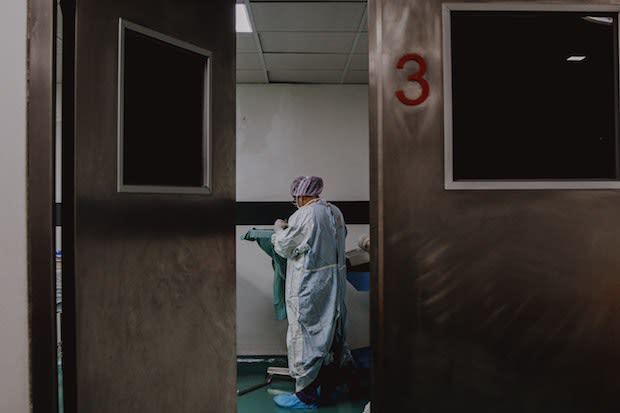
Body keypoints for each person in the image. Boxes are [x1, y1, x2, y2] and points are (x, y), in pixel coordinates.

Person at [271, 176, 352, 409]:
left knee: (306, 337)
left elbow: (286, 246)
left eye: (294, 197)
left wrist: (278, 230)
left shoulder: (304, 214)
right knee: (331, 336)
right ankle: (328, 390)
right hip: (333, 284)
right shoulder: (335, 211)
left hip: (310, 286)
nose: (295, 201)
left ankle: (305, 397)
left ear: (300, 194)